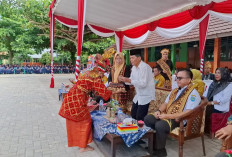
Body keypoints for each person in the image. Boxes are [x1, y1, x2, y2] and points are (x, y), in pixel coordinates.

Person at [58, 54, 112, 153]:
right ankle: (83, 146)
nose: (102, 75)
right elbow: (104, 92)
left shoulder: (87, 71)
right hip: (77, 99)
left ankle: (79, 142)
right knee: (86, 121)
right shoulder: (95, 75)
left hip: (73, 96)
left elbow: (87, 86)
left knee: (76, 120)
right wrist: (113, 92)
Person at [144, 69, 201, 157]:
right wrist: (159, 111)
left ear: (189, 80)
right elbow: (165, 103)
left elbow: (188, 112)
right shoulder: (175, 91)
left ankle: (161, 151)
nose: (177, 80)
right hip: (167, 114)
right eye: (177, 78)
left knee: (160, 125)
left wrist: (167, 116)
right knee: (148, 119)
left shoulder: (193, 94)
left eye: (180, 78)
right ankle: (154, 145)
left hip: (180, 119)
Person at [119, 49, 155, 121]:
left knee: (140, 118)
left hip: (145, 96)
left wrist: (129, 80)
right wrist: (124, 79)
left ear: (139, 58)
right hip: (138, 95)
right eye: (130, 58)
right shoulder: (134, 68)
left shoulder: (145, 67)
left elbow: (143, 83)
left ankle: (143, 131)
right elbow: (132, 80)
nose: (131, 60)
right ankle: (134, 130)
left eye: (132, 58)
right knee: (133, 115)